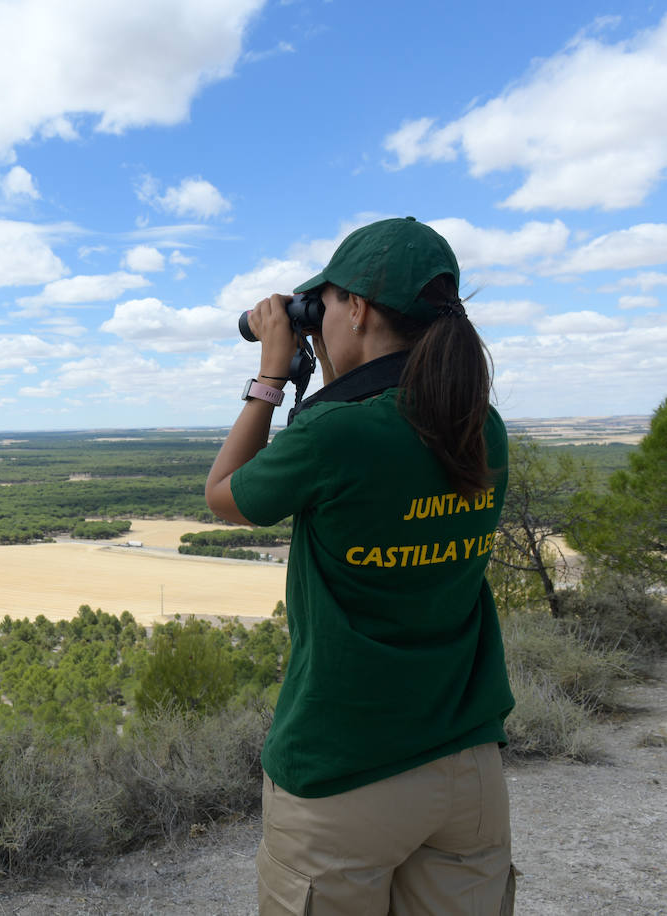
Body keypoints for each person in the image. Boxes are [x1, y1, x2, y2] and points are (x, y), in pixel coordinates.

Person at [204, 217, 516, 915]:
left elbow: (225, 496)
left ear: (359, 309)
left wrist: (271, 375)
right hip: (466, 765)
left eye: (326, 307)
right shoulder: (480, 426)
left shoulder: (339, 432)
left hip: (343, 771)